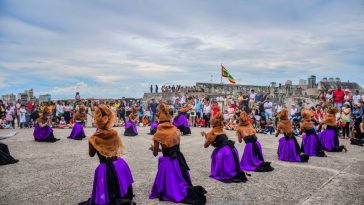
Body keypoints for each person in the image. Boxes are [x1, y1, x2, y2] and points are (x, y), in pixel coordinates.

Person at [149, 103, 207, 204]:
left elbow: (155, 154)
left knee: (170, 184)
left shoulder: (158, 133)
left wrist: (154, 148)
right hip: (178, 160)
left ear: (159, 120)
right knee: (182, 184)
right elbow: (173, 148)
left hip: (167, 162)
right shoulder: (176, 130)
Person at [79, 104, 135, 205]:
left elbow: (91, 154)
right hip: (119, 164)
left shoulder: (93, 138)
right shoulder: (114, 133)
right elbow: (117, 148)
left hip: (104, 167)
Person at [200, 112, 248, 183]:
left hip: (223, 151)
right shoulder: (223, 131)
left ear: (212, 123)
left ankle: (221, 171)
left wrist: (206, 137)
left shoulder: (212, 133)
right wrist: (206, 135)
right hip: (232, 149)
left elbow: (206, 145)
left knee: (216, 154)